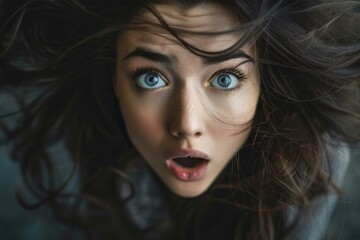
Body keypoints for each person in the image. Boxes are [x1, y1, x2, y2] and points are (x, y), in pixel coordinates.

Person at [0, 0, 359, 239]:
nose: (187, 124)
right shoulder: (83, 136)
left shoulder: (312, 158)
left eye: (225, 79)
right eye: (151, 78)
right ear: (114, 83)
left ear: (263, 86)